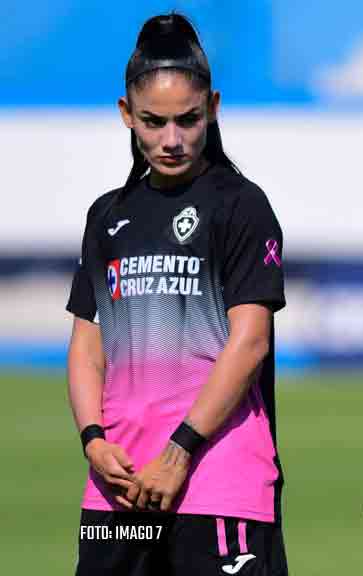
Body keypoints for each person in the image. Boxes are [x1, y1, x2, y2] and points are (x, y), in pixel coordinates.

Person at [67, 13, 288, 575]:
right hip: (120, 490)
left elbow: (251, 343)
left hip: (215, 482)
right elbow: (88, 347)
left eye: (188, 120)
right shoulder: (107, 217)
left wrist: (179, 450)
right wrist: (93, 439)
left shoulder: (240, 205)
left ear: (212, 107)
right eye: (154, 121)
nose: (171, 139)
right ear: (127, 116)